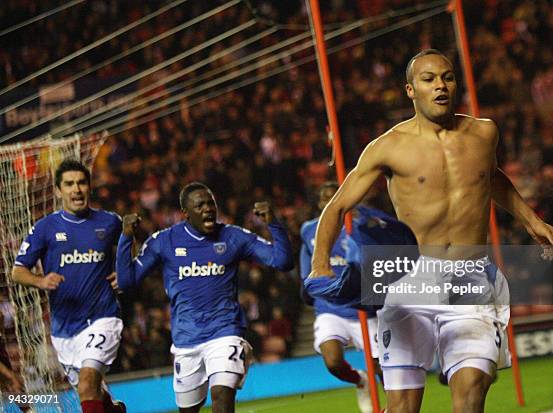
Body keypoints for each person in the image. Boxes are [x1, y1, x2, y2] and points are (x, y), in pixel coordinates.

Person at [309, 49, 553, 413]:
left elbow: (489, 177)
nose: (440, 86)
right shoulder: (387, 147)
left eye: (447, 77)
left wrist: (531, 220)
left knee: (472, 389)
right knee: (402, 407)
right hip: (409, 281)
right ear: (410, 90)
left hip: (470, 276)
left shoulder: (484, 132)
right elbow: (336, 207)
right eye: (428, 79)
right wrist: (321, 263)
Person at [117, 182, 293, 413]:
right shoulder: (165, 241)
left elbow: (282, 261)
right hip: (186, 340)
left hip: (225, 332)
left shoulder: (233, 236)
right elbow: (127, 281)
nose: (208, 209)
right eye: (199, 205)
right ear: (185, 213)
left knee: (222, 395)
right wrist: (125, 239)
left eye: (211, 203)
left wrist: (274, 224)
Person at [11, 159, 125, 413]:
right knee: (93, 393)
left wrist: (124, 272)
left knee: (87, 384)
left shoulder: (109, 222)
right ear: (58, 190)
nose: (76, 189)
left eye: (82, 183)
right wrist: (40, 281)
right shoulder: (44, 228)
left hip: (102, 317)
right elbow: (17, 271)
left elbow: (129, 245)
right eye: (70, 184)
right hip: (64, 329)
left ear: (89, 187)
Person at [300, 182, 379, 413]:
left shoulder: (361, 227)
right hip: (330, 309)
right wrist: (308, 289)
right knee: (333, 361)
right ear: (319, 203)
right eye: (325, 198)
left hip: (364, 309)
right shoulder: (309, 230)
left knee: (383, 369)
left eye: (335, 196)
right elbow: (307, 267)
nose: (330, 202)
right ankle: (359, 380)